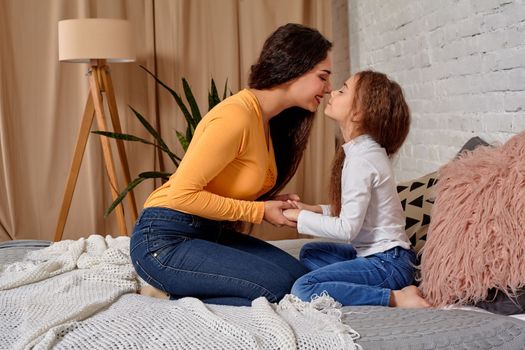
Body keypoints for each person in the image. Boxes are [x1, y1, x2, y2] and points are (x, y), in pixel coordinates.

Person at [130, 23, 333, 306]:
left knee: (299, 279)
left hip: (206, 233)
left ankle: (185, 284)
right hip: (163, 241)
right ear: (294, 68)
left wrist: (269, 202)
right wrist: (258, 210)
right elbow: (181, 195)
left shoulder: (266, 121)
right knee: (281, 289)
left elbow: (226, 184)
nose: (328, 88)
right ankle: (168, 293)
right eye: (323, 77)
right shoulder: (236, 117)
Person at [283, 71, 430, 308]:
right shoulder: (362, 151)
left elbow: (347, 229)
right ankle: (361, 286)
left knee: (303, 288)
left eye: (342, 90)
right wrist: (315, 209)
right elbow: (357, 212)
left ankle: (396, 297)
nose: (332, 91)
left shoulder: (363, 159)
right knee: (310, 253)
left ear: (360, 113)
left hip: (388, 264)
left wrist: (300, 217)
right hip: (383, 258)